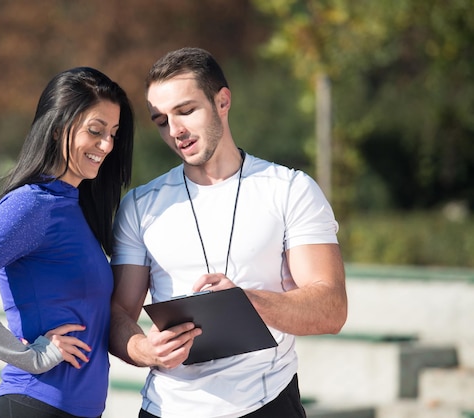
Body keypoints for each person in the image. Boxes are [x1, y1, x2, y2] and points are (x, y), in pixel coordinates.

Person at [109, 47, 347, 418]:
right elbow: (117, 312)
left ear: (222, 101)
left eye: (186, 111)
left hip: (266, 404)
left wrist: (248, 302)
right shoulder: (140, 205)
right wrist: (142, 349)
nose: (175, 131)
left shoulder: (289, 189)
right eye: (160, 120)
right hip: (165, 408)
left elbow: (331, 308)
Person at [0, 67, 134, 418]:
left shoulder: (75, 207)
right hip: (33, 405)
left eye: (113, 134)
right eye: (95, 131)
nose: (107, 145)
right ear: (57, 130)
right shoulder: (31, 204)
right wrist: (33, 358)